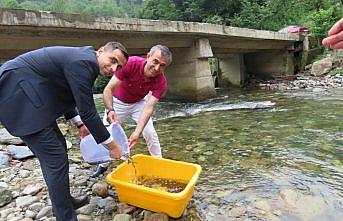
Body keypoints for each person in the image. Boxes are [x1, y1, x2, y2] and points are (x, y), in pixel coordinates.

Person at [0, 42, 128, 221]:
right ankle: (65, 216)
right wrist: (112, 146)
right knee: (55, 158)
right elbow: (88, 112)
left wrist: (79, 125)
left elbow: (64, 91)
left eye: (119, 66)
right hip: (18, 96)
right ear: (100, 52)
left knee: (58, 148)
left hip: (33, 97)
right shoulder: (84, 63)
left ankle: (65, 201)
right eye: (112, 60)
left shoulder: (83, 60)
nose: (113, 69)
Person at [91, 45, 172, 177]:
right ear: (148, 56)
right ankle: (103, 165)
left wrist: (136, 133)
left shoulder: (161, 82)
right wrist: (110, 109)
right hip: (117, 102)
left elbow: (149, 108)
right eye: (155, 61)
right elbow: (108, 89)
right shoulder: (131, 63)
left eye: (162, 65)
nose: (157, 68)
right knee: (106, 132)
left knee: (150, 132)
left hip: (139, 103)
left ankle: (159, 163)